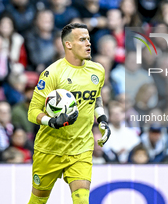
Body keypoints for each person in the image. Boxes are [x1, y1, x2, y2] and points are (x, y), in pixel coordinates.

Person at [27, 23, 111, 204]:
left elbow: (96, 97)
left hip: (81, 147)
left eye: (88, 39)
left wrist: (102, 119)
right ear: (68, 45)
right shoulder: (52, 74)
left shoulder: (97, 70)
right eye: (82, 39)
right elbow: (32, 112)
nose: (88, 43)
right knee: (38, 201)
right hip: (49, 148)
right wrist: (52, 122)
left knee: (81, 200)